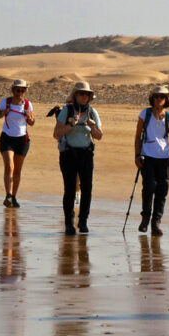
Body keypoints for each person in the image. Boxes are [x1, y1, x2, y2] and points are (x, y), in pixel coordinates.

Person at [53, 81, 102, 235]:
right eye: (81, 93)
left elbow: (99, 136)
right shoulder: (67, 110)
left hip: (86, 154)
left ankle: (83, 221)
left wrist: (93, 127)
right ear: (75, 95)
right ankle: (69, 222)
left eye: (86, 94)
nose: (84, 96)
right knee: (69, 189)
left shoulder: (92, 113)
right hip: (68, 154)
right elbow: (56, 133)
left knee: (87, 188)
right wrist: (70, 125)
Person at [134, 85, 169, 236]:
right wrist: (137, 155)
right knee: (148, 186)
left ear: (167, 99)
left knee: (162, 190)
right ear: (152, 98)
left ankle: (156, 222)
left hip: (165, 158)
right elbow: (137, 137)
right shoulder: (145, 113)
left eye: (162, 97)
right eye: (156, 96)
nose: (158, 99)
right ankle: (145, 217)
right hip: (147, 155)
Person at [0, 80, 35, 208]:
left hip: (22, 140)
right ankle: (8, 195)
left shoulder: (27, 104)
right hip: (7, 138)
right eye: (18, 90)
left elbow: (32, 122)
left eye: (23, 90)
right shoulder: (5, 102)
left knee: (17, 170)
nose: (20, 93)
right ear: (13, 90)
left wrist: (29, 118)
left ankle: (14, 197)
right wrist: (3, 113)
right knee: (9, 166)